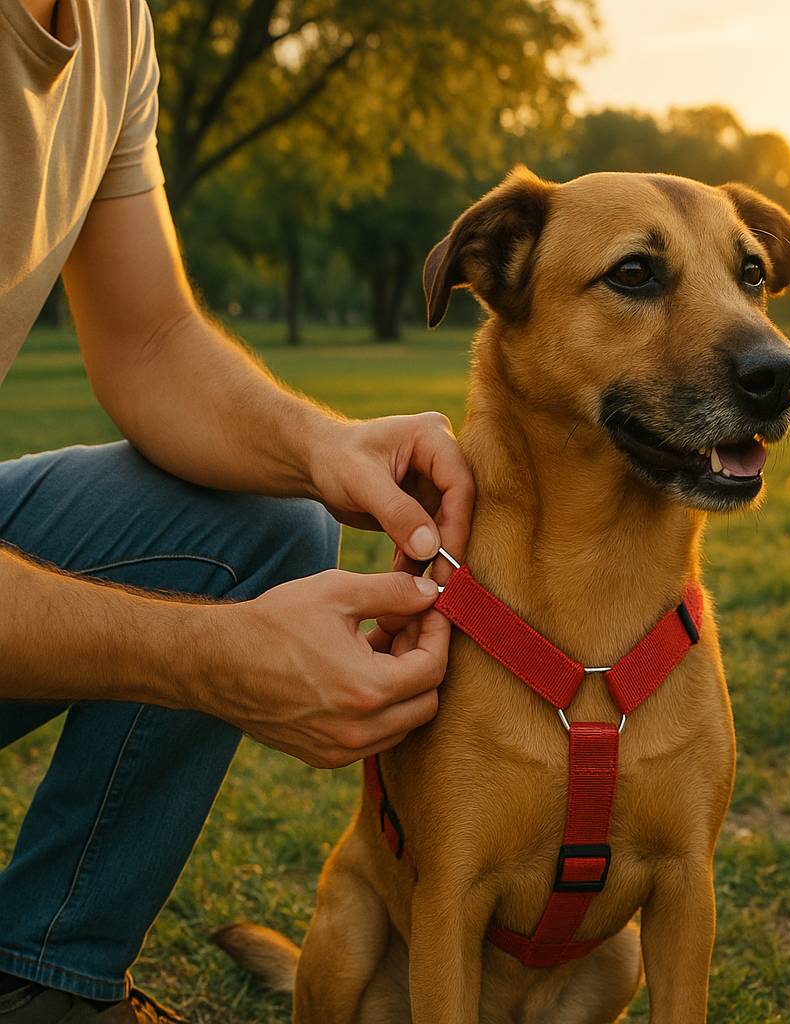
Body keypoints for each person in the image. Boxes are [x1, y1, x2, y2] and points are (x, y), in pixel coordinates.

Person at [0, 0, 474, 1019]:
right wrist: (214, 658)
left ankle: (42, 983)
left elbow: (152, 338)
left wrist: (320, 449)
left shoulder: (114, 19)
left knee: (262, 524)